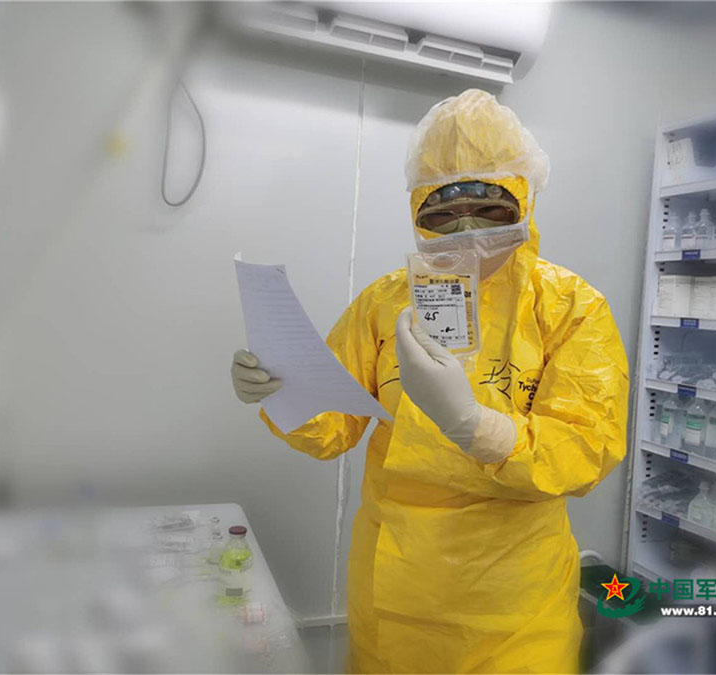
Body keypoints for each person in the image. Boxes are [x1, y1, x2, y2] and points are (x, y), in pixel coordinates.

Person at [231, 89, 629, 674]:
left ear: (524, 199)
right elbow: (332, 428)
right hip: (395, 593)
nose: (466, 227)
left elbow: (586, 448)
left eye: (490, 207)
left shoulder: (570, 306)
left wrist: (473, 425)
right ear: (417, 209)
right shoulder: (385, 303)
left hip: (514, 600)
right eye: (442, 212)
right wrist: (281, 387)